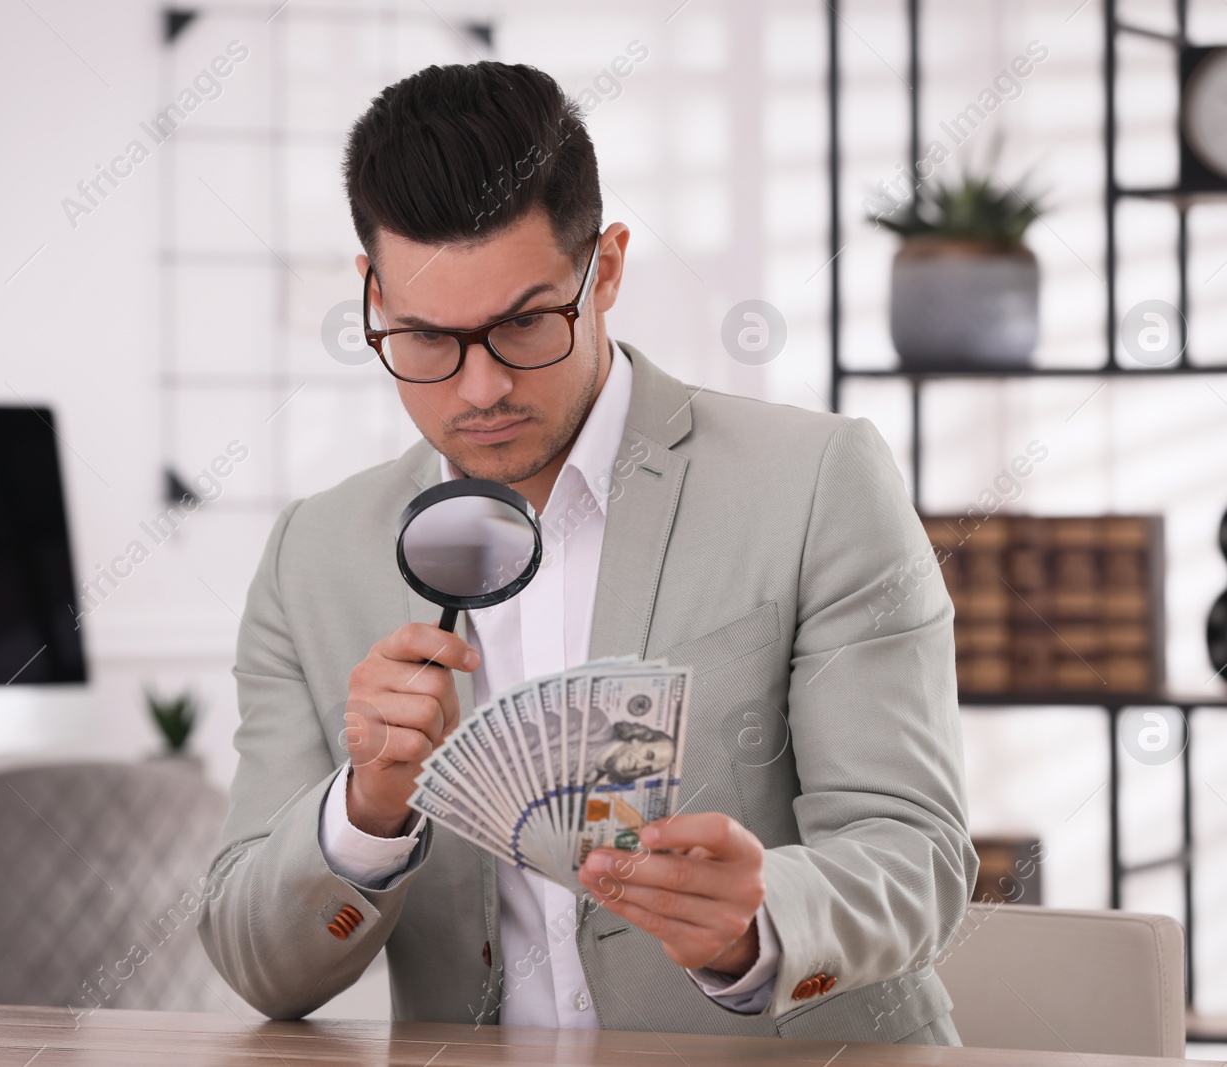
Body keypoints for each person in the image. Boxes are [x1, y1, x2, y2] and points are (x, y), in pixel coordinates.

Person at [199, 60, 978, 1044]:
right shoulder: (312, 556)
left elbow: (918, 859)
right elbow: (258, 962)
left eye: (523, 322)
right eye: (425, 336)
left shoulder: (816, 481)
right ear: (371, 294)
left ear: (603, 269)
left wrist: (758, 920)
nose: (477, 388)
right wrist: (366, 807)